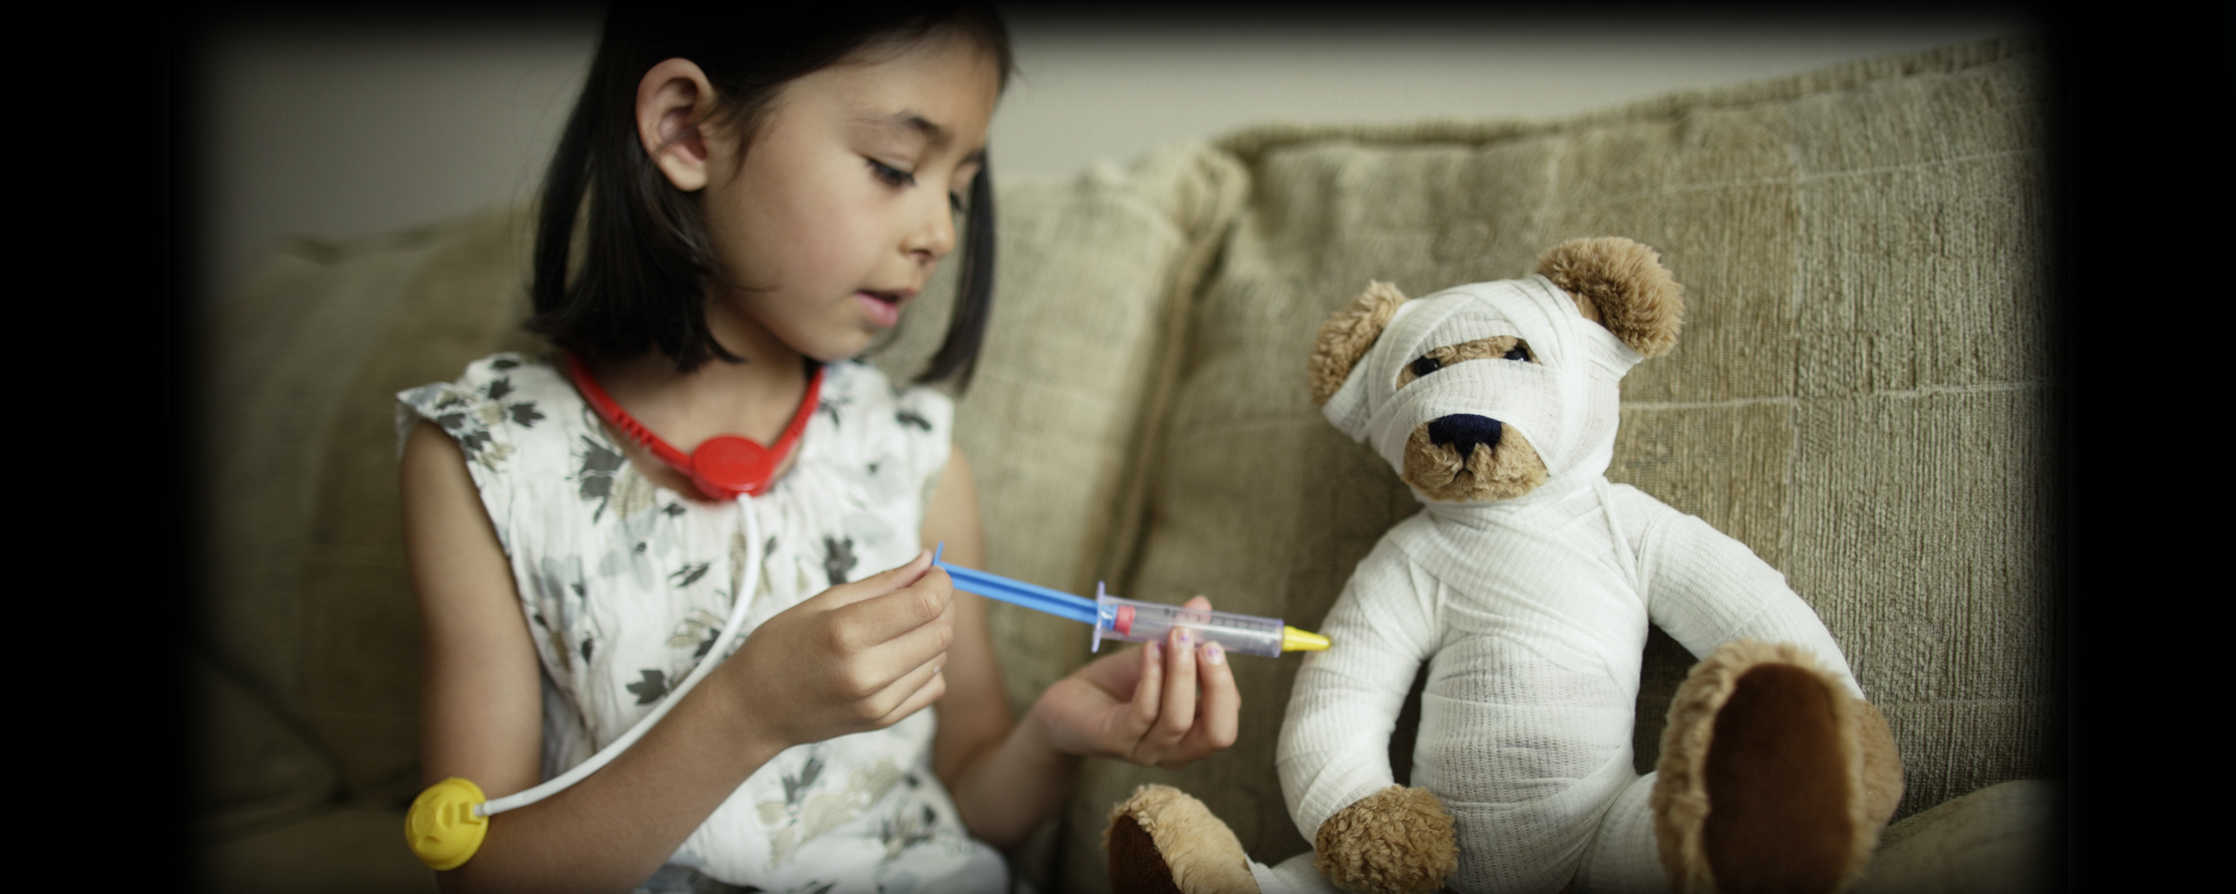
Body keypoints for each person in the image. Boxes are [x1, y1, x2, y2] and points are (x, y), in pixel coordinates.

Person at [396, 6, 1241, 892]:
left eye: (954, 188)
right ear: (689, 129)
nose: (941, 234)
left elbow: (962, 797)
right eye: (894, 167)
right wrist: (748, 710)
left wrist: (1054, 736)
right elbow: (480, 871)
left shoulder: (911, 458)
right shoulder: (489, 459)